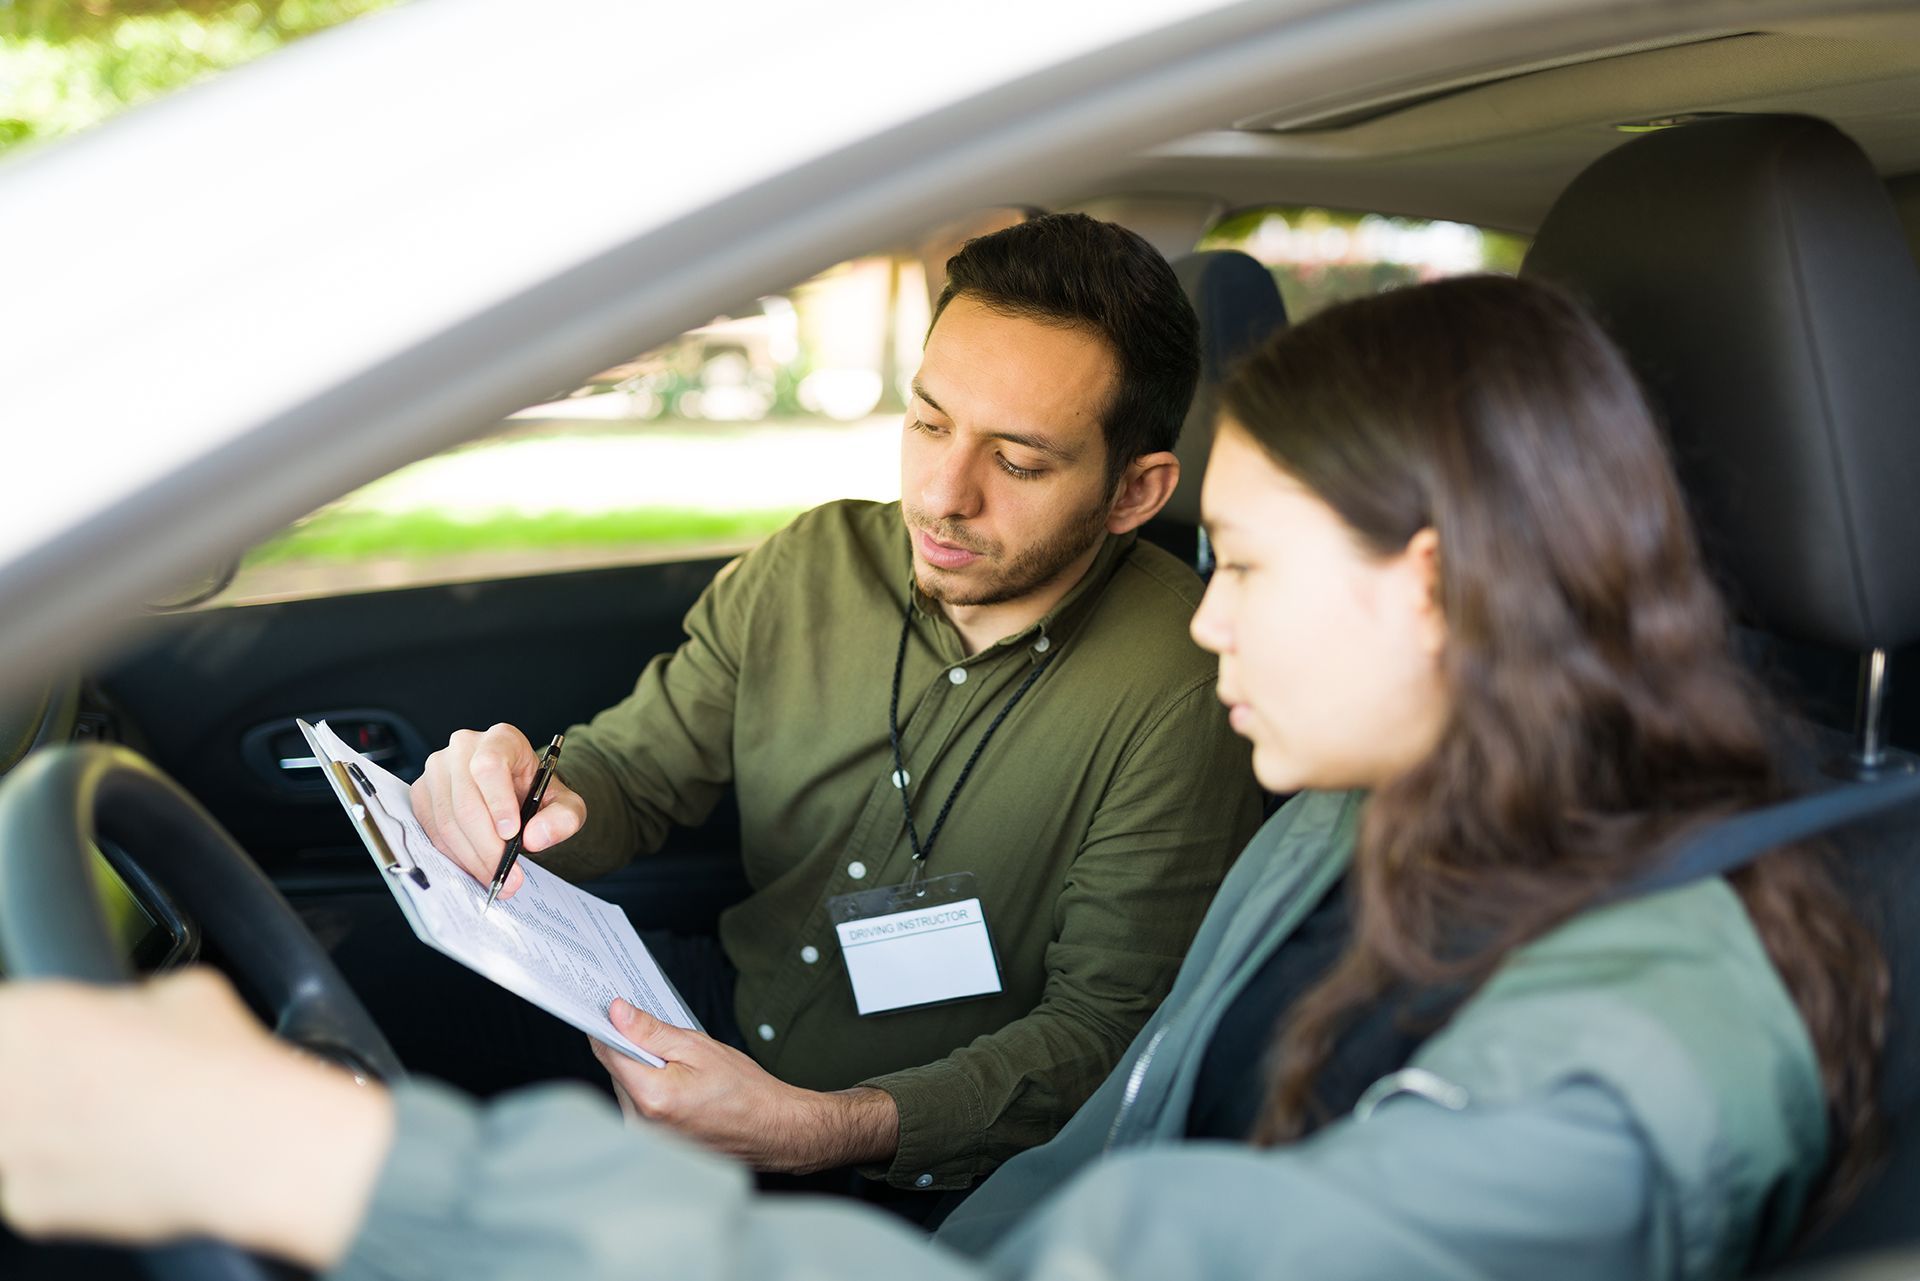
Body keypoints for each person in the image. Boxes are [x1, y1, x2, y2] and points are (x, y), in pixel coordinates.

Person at [0, 275, 1885, 1281]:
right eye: (924, 424)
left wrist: (309, 1156)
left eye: (1249, 564)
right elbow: (1121, 1151)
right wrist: (544, 789)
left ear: (1444, 579)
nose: (1212, 621)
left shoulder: (1621, 1068)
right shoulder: (1352, 824)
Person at [401, 210, 1264, 1192]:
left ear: (1134, 493)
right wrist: (525, 788)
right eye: (930, 421)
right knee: (374, 986)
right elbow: (636, 772)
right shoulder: (811, 565)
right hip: (717, 1011)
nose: (942, 495)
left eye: (1018, 462)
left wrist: (818, 1129)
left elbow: (1102, 1036)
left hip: (912, 1163)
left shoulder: (1189, 677)